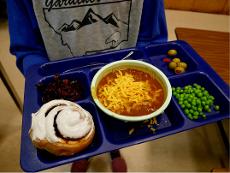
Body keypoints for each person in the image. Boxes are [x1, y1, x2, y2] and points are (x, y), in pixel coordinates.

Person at [7, 0, 167, 172]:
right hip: (67, 80)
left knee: (115, 126)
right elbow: (28, 48)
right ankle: (84, 152)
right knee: (79, 128)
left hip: (123, 79)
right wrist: (49, 81)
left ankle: (114, 150)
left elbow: (150, 36)